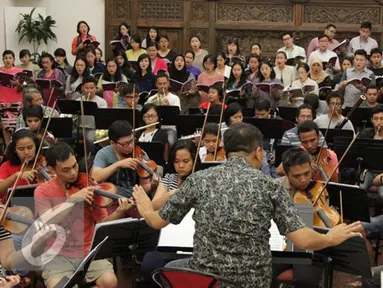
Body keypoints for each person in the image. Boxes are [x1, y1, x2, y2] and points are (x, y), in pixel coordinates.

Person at [133, 122, 362, 288]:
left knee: (172, 267)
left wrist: (144, 205)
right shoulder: (269, 186)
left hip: (207, 280)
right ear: (258, 152)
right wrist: (331, 237)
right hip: (251, 282)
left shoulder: (198, 180)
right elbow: (302, 239)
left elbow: (155, 221)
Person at [35, 142, 132, 288]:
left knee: (110, 282)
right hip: (57, 255)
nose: (73, 173)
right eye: (66, 170)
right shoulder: (42, 191)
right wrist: (73, 200)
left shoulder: (87, 186)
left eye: (74, 166)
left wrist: (119, 211)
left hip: (88, 251)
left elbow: (102, 222)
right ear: (52, 169)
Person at [139, 139, 197, 286]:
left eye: (186, 161)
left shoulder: (200, 179)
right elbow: (154, 205)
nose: (181, 165)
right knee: (148, 266)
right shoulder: (169, 178)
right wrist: (173, 193)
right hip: (166, 232)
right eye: (177, 161)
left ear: (194, 160)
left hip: (192, 236)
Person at [272, 147, 325, 288]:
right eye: (296, 176)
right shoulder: (275, 188)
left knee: (306, 280)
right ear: (287, 173)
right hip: (283, 242)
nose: (303, 180)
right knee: (263, 272)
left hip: (309, 243)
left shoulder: (319, 188)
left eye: (307, 173)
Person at [91, 120, 153, 197]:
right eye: (125, 144)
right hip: (111, 197)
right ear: (113, 143)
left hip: (135, 196)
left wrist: (153, 185)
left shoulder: (140, 154)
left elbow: (145, 187)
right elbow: (95, 177)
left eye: (131, 141)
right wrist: (118, 164)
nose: (130, 146)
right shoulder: (103, 153)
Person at [0, 129, 39, 203]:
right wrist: (16, 176)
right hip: (15, 208)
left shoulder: (44, 163)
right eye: (21, 149)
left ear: (36, 146)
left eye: (30, 147)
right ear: (15, 150)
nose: (27, 152)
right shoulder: (6, 166)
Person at [75, 75, 107, 146]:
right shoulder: (78, 100)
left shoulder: (102, 102)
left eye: (92, 88)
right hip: (80, 128)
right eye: (86, 88)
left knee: (90, 139)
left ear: (96, 88)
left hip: (93, 129)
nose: (89, 90)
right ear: (82, 88)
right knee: (66, 137)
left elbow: (102, 119)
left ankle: (90, 155)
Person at [359, 105, 383, 200]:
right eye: (376, 119)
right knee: (361, 190)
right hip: (368, 170)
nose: (379, 122)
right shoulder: (366, 133)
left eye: (382, 119)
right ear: (372, 120)